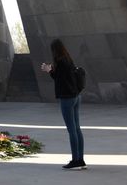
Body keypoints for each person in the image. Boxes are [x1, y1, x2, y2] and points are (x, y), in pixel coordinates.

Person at [40, 39, 85, 170]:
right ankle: (80, 160)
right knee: (77, 128)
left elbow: (58, 79)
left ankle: (75, 161)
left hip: (67, 98)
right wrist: (52, 70)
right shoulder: (68, 59)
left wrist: (49, 70)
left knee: (71, 130)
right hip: (76, 96)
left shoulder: (60, 61)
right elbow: (64, 77)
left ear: (54, 50)